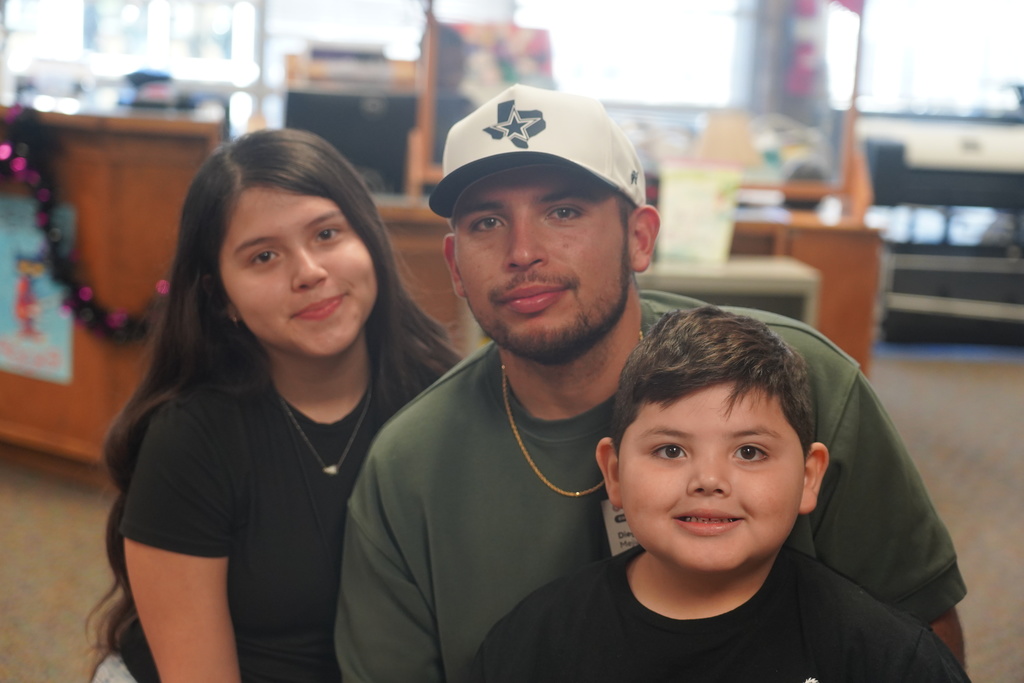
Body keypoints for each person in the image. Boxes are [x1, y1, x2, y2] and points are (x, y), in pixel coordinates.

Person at [335, 84, 966, 683]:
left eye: (562, 211)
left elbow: (919, 635)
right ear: (454, 265)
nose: (522, 251)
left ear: (639, 238)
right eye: (486, 223)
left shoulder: (792, 378)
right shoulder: (409, 464)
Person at [88, 128, 459, 682]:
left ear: (369, 239)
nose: (309, 272)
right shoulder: (190, 438)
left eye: (327, 234)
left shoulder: (439, 398)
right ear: (222, 298)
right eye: (264, 256)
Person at [470, 305, 970, 682]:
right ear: (615, 474)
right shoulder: (536, 641)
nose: (708, 480)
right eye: (670, 450)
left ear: (809, 477)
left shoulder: (882, 655)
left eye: (749, 452)